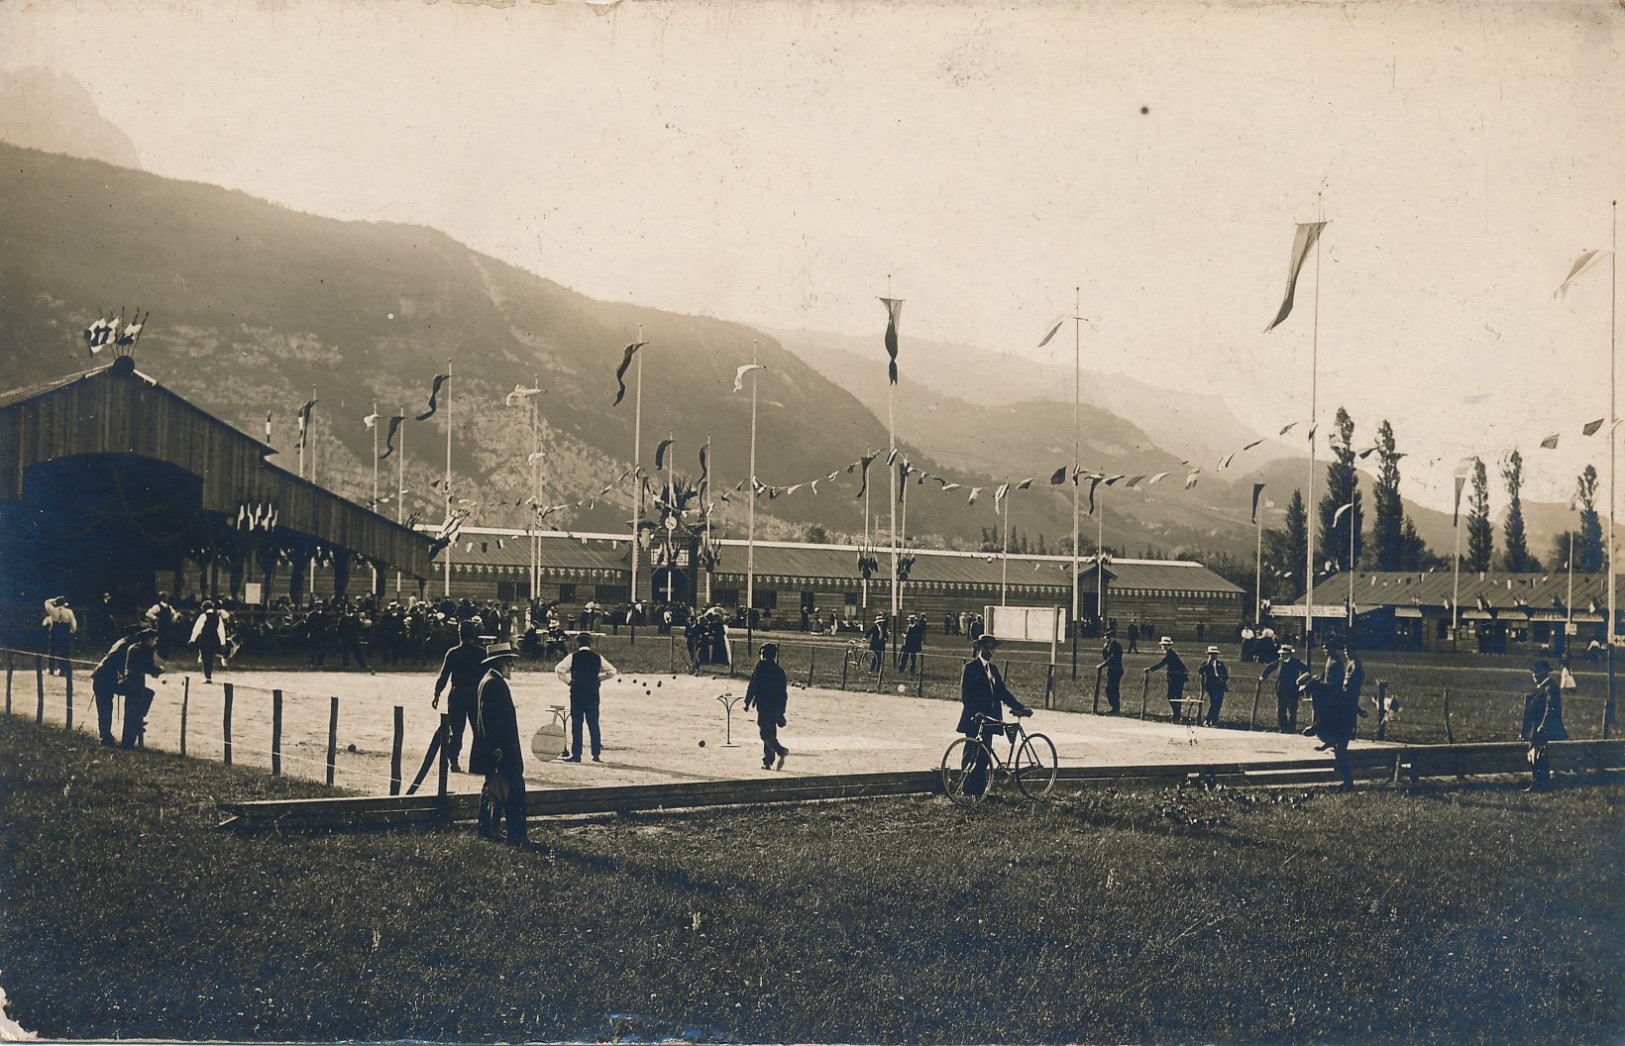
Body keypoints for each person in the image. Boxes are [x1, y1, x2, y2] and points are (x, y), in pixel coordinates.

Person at [957, 634, 1031, 798]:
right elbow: (966, 696)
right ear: (979, 649)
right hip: (974, 718)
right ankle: (965, 789)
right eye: (986, 647)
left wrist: (1020, 707)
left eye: (992, 648)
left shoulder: (994, 670)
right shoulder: (971, 668)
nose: (990, 651)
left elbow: (1002, 693)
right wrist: (975, 712)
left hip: (990, 719)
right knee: (970, 753)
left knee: (985, 756)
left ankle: (979, 792)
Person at [468, 641, 526, 844]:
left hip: (498, 748)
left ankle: (487, 830)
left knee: (492, 789)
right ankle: (517, 836)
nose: (513, 667)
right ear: (502, 662)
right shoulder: (493, 683)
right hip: (502, 750)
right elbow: (488, 720)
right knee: (513, 790)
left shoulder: (491, 680)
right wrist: (495, 748)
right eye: (510, 663)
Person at [555, 631, 618, 762]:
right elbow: (612, 672)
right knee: (593, 723)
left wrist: (569, 681)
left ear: (577, 643)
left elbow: (559, 669)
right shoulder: (597, 657)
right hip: (592, 693)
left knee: (577, 724)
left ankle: (577, 755)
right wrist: (599, 678)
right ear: (590, 644)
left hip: (577, 692)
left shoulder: (573, 657)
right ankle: (596, 754)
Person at [432, 620, 487, 773]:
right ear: (474, 634)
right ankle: (478, 764)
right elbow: (488, 677)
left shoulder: (453, 653)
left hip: (457, 694)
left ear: (459, 634)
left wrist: (437, 694)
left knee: (456, 731)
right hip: (475, 695)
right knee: (478, 731)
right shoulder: (481, 653)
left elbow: (444, 676)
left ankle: (454, 761)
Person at [1303, 665, 1364, 792]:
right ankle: (1346, 781)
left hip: (1342, 723)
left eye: (1305, 689)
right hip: (1344, 722)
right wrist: (1359, 711)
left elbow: (1324, 717)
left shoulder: (1318, 696)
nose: (1304, 693)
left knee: (1341, 752)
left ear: (1311, 687)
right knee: (1340, 751)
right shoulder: (1328, 688)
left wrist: (1312, 729)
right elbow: (1347, 699)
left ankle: (1348, 783)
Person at [1520, 659, 1568, 791]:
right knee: (1534, 756)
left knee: (1539, 756)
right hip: (1537, 729)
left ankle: (1540, 784)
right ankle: (1537, 783)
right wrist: (1526, 730)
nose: (1534, 675)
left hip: (1544, 730)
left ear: (1544, 673)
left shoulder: (1550, 688)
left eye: (1536, 673)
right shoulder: (1541, 688)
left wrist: (1543, 726)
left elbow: (1550, 708)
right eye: (1533, 673)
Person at [90, 625, 142, 746]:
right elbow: (122, 665)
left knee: (106, 708)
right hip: (103, 678)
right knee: (105, 709)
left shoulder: (123, 643)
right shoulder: (126, 646)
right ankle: (107, 737)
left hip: (106, 678)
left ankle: (108, 736)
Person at [744, 643, 790, 770]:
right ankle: (768, 761)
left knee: (764, 733)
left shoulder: (760, 667)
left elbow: (753, 685)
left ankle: (780, 751)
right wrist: (782, 711)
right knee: (771, 732)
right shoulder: (780, 672)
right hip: (775, 707)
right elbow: (783, 693)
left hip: (763, 705)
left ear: (763, 655)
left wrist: (747, 702)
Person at [117, 628, 164, 749]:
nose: (156, 642)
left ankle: (127, 743)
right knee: (139, 706)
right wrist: (158, 670)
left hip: (128, 681)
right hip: (135, 682)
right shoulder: (145, 650)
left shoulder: (133, 647)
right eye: (155, 640)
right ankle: (137, 725)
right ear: (148, 639)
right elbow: (148, 667)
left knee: (130, 711)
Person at [1260, 644, 1309, 733]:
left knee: (1292, 710)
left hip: (1292, 690)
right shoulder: (1279, 662)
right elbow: (1269, 667)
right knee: (1280, 710)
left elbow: (1305, 671)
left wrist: (1302, 681)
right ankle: (1283, 728)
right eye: (1281, 654)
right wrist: (1263, 676)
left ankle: (1291, 729)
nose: (1282, 655)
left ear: (1289, 654)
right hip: (1281, 689)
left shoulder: (1296, 662)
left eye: (1284, 654)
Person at [1145, 636, 1191, 722]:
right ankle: (1177, 714)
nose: (1162, 646)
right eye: (1162, 644)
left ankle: (1177, 714)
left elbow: (1162, 663)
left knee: (1171, 695)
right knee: (1176, 695)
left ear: (1168, 645)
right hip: (1177, 677)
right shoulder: (1171, 653)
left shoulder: (1170, 653)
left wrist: (1151, 669)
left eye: (1164, 645)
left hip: (1176, 678)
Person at [188, 600, 228, 683]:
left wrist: (192, 639)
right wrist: (223, 643)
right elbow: (221, 630)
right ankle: (209, 676)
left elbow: (197, 629)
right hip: (213, 640)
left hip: (204, 639)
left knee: (205, 658)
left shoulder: (203, 616)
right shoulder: (217, 617)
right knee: (210, 658)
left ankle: (207, 676)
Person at [43, 597, 78, 677]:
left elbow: (46, 602)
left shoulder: (53, 610)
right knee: (64, 651)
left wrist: (54, 600)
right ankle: (63, 670)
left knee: (52, 650)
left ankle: (51, 669)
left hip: (55, 631)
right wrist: (71, 631)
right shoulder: (68, 611)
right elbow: (73, 623)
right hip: (64, 631)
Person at [1198, 645, 1229, 727]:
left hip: (1220, 685)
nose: (1213, 656)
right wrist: (1207, 664)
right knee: (1214, 703)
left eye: (1214, 654)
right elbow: (1200, 670)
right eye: (1211, 654)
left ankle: (1214, 720)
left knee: (1218, 704)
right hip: (1211, 686)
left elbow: (1226, 675)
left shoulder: (1220, 664)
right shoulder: (1206, 664)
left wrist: (1221, 678)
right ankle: (1208, 720)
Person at [1096, 626, 1124, 714]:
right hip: (1111, 670)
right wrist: (1104, 648)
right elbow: (1105, 657)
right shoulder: (1108, 646)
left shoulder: (1117, 646)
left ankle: (1115, 708)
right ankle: (1114, 707)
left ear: (1113, 637)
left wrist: (1102, 665)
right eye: (1106, 638)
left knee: (1112, 689)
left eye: (1109, 638)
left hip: (1117, 670)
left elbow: (1112, 659)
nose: (1107, 640)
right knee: (1110, 689)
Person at [336, 605, 370, 672]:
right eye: (346, 609)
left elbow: (360, 628)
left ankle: (362, 665)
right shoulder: (342, 619)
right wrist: (339, 637)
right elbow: (339, 629)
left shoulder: (356, 618)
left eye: (348, 609)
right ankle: (346, 665)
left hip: (354, 638)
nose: (347, 610)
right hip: (345, 638)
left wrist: (366, 627)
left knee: (358, 651)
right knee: (345, 652)